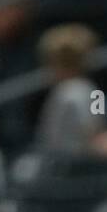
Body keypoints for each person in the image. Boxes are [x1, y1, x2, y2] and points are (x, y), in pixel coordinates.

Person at [35, 24, 102, 154]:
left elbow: (95, 135)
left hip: (75, 165)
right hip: (63, 164)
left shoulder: (85, 92)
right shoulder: (90, 90)